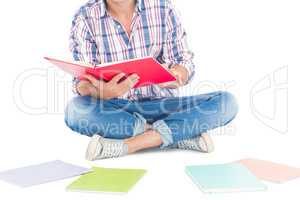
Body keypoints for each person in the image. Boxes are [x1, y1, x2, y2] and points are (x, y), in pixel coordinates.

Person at [65, 0, 238, 160]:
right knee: (75, 110)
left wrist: (177, 74)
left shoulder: (163, 7)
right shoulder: (85, 17)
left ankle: (130, 145)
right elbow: (81, 82)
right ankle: (176, 135)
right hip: (117, 109)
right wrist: (102, 92)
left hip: (165, 106)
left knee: (227, 102)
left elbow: (183, 62)